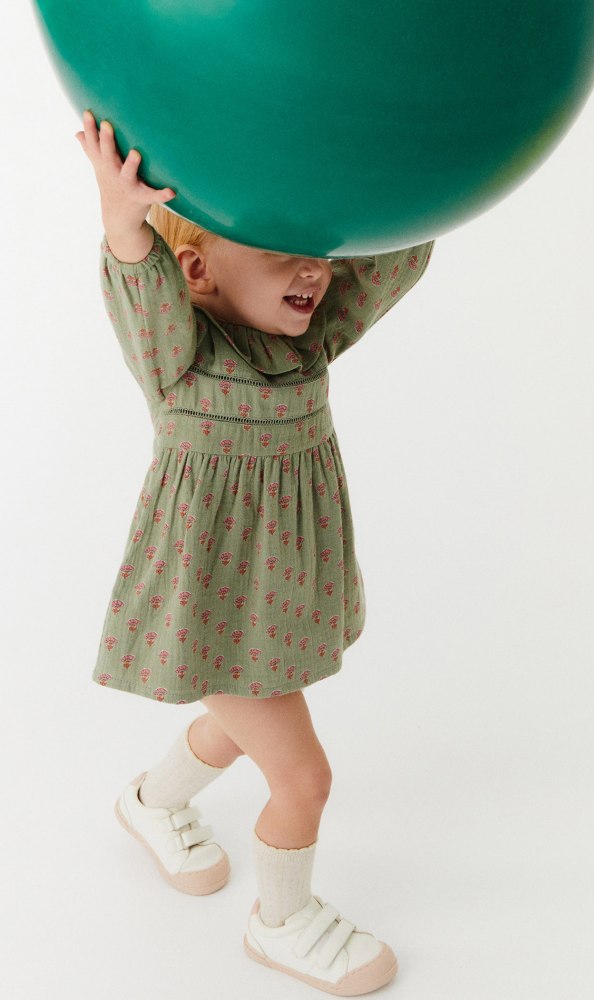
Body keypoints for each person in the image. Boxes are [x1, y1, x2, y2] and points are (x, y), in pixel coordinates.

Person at [76, 109, 434, 996]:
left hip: (273, 603)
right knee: (303, 779)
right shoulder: (180, 362)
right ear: (198, 271)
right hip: (208, 605)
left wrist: (423, 176)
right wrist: (124, 216)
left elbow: (390, 258)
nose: (314, 269)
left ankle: (152, 802)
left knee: (236, 729)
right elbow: (138, 280)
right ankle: (282, 923)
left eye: (315, 254)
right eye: (282, 253)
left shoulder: (307, 342)